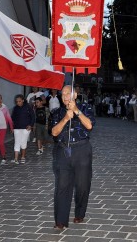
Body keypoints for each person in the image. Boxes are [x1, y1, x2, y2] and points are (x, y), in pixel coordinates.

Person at [51, 85, 95, 230]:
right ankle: (61, 221)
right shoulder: (57, 112)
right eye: (62, 94)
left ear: (75, 95)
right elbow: (54, 132)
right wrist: (65, 118)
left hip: (82, 150)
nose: (65, 96)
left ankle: (80, 213)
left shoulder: (86, 107)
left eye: (68, 93)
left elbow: (89, 125)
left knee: (82, 185)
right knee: (62, 186)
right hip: (63, 150)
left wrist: (76, 111)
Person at [11, 94, 35, 164]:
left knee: (23, 142)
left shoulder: (28, 107)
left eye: (19, 101)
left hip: (26, 128)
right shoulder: (15, 108)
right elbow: (13, 118)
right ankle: (15, 159)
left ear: (23, 100)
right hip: (17, 128)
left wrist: (30, 125)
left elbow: (33, 117)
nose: (18, 103)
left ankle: (23, 157)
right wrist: (13, 126)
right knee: (17, 142)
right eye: (17, 101)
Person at [0, 94, 14, 166]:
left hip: (3, 128)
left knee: (1, 143)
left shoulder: (5, 108)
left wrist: (11, 127)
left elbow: (9, 118)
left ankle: (4, 158)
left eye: (0, 99)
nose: (0, 100)